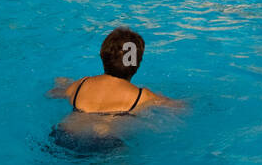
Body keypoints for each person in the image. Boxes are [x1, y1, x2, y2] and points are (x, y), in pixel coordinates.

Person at [47, 27, 181, 117]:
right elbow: (180, 109)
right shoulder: (142, 96)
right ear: (138, 63)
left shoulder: (81, 83)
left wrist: (64, 83)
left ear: (102, 55)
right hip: (106, 144)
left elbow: (53, 94)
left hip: (63, 135)